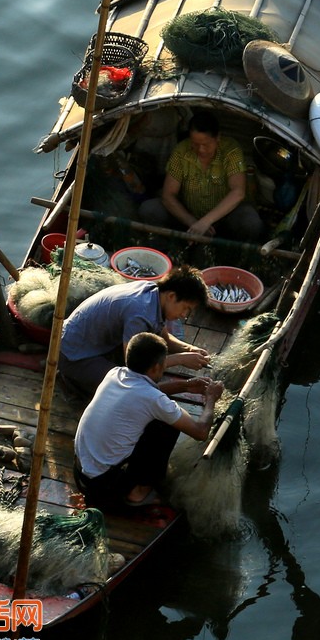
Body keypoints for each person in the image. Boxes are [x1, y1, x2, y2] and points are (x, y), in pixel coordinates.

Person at [73, 331, 224, 509]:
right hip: (104, 486)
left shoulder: (115, 374)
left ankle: (132, 482)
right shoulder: (153, 399)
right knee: (166, 425)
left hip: (81, 473)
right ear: (156, 367)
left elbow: (145, 394)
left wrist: (185, 385)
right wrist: (211, 398)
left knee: (157, 416)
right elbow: (201, 431)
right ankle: (137, 492)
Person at [59, 265, 211, 397]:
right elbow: (136, 368)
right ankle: (73, 381)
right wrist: (181, 359)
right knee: (133, 385)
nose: (184, 316)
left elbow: (165, 338)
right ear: (171, 296)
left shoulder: (154, 294)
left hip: (94, 345)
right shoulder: (140, 313)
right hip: (73, 356)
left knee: (151, 366)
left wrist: (189, 349)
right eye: (186, 308)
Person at [139, 110, 263, 241]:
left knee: (251, 222)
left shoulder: (231, 150)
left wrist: (206, 221)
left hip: (224, 217)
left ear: (218, 138)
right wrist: (193, 223)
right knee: (150, 209)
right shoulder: (181, 151)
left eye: (206, 144)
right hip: (188, 216)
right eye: (195, 144)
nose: (201, 150)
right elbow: (168, 195)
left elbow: (238, 192)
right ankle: (168, 249)